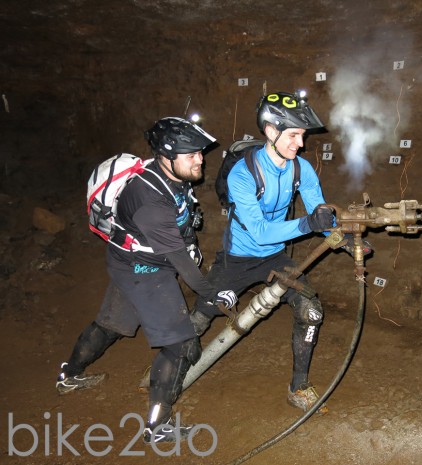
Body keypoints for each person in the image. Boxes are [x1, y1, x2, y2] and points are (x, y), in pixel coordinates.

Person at [56, 117, 238, 443]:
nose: (201, 159)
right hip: (144, 270)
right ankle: (158, 427)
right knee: (180, 346)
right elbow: (183, 266)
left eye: (199, 152)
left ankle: (68, 375)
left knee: (111, 325)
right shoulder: (149, 201)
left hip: (129, 260)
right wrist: (215, 292)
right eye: (191, 154)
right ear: (167, 157)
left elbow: (182, 225)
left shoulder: (170, 177)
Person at [190, 91, 339, 413]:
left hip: (274, 258)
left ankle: (298, 387)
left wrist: (346, 232)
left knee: (310, 311)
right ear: (271, 131)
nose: (301, 144)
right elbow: (259, 232)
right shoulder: (242, 174)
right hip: (238, 257)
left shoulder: (301, 168)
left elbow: (320, 215)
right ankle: (169, 372)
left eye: (303, 135)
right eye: (294, 135)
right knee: (201, 318)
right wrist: (307, 224)